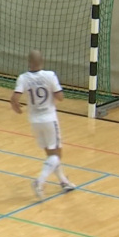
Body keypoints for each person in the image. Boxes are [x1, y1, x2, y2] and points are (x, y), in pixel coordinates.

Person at [11, 50, 77, 198]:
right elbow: (60, 97)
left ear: (28, 62)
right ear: (42, 61)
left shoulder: (23, 78)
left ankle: (64, 181)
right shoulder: (50, 75)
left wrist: (16, 108)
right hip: (49, 119)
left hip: (34, 120)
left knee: (50, 154)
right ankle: (39, 181)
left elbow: (14, 98)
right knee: (57, 154)